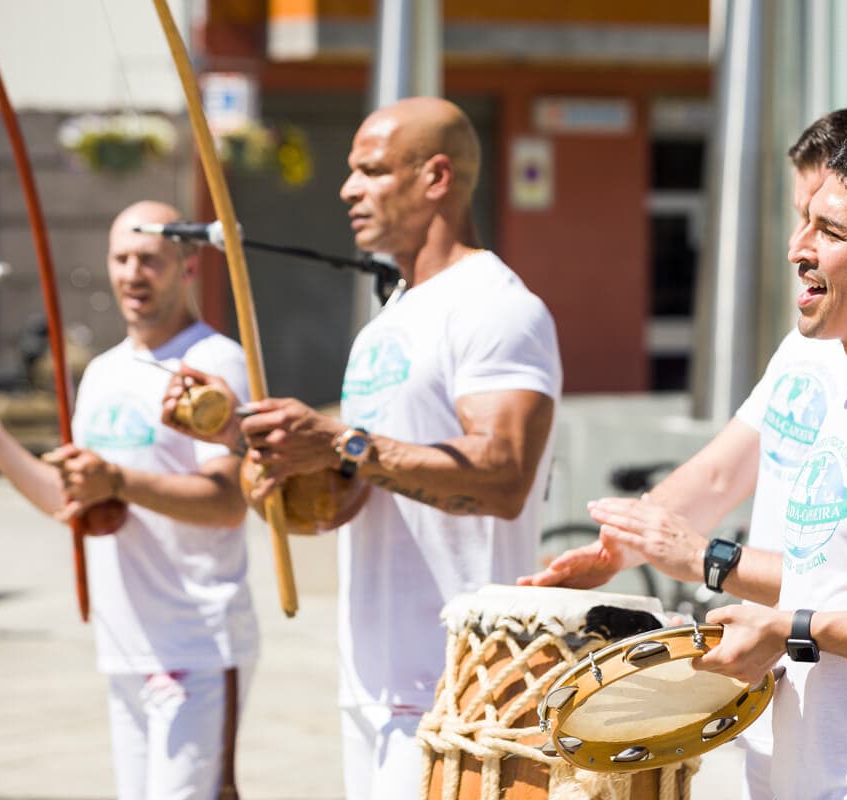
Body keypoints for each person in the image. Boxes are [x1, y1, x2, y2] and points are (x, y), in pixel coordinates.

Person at [519, 103, 847, 799]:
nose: (796, 245)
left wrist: (737, 580)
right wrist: (626, 545)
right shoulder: (846, 364)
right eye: (803, 215)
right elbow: (740, 481)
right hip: (805, 739)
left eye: (827, 224)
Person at [169, 97, 562, 799]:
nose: (347, 189)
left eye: (372, 170)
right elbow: (342, 500)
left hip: (462, 695)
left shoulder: (498, 306)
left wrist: (343, 442)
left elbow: (503, 479)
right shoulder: (387, 323)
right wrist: (269, 463)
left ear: (436, 177)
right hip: (371, 688)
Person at [0, 200, 258, 800]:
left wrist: (120, 483)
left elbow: (227, 502)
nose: (134, 272)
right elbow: (72, 498)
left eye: (151, 259)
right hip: (125, 646)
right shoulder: (105, 373)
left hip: (199, 647)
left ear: (188, 268)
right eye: (122, 257)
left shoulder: (213, 362)